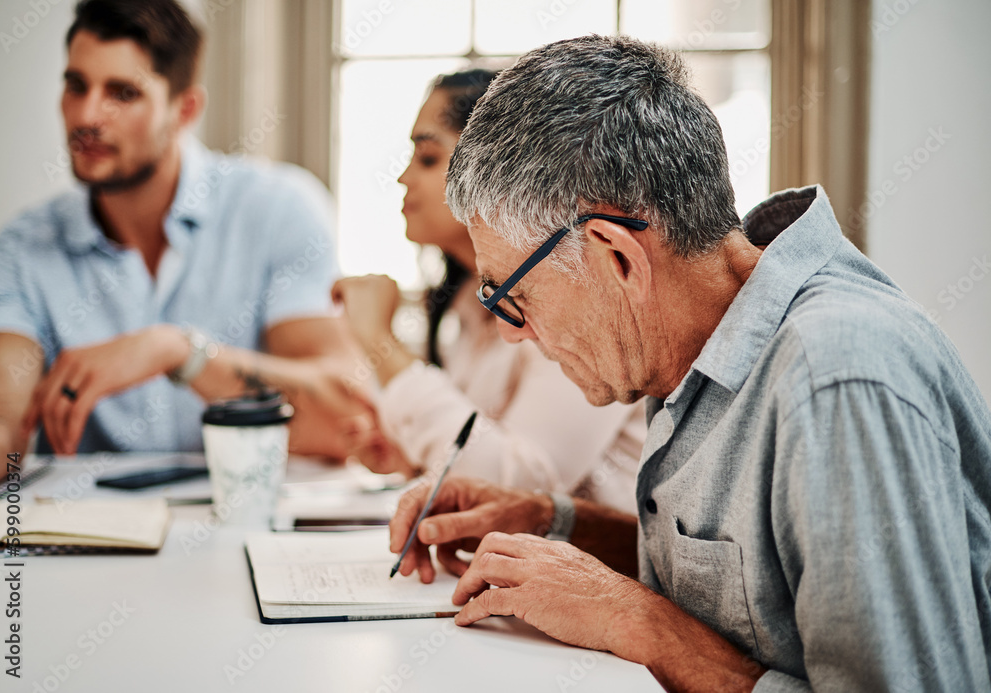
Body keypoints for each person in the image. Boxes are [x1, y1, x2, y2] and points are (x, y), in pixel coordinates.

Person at [388, 36, 991, 692]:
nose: (516, 333)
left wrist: (645, 626)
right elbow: (742, 588)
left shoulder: (836, 379)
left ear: (617, 258)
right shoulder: (691, 340)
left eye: (515, 297)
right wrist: (549, 519)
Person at [0, 0, 366, 484]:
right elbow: (1, 421)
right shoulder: (21, 248)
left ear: (184, 110)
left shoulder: (276, 209)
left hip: (246, 528)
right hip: (96, 540)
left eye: (122, 93)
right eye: (76, 86)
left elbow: (345, 423)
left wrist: (178, 352)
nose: (86, 115)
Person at [332, 69, 645, 512]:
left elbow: (522, 488)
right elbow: (483, 459)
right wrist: (408, 452)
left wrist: (380, 344)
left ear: (492, 168)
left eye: (426, 158)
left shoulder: (571, 291)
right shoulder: (470, 305)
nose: (402, 178)